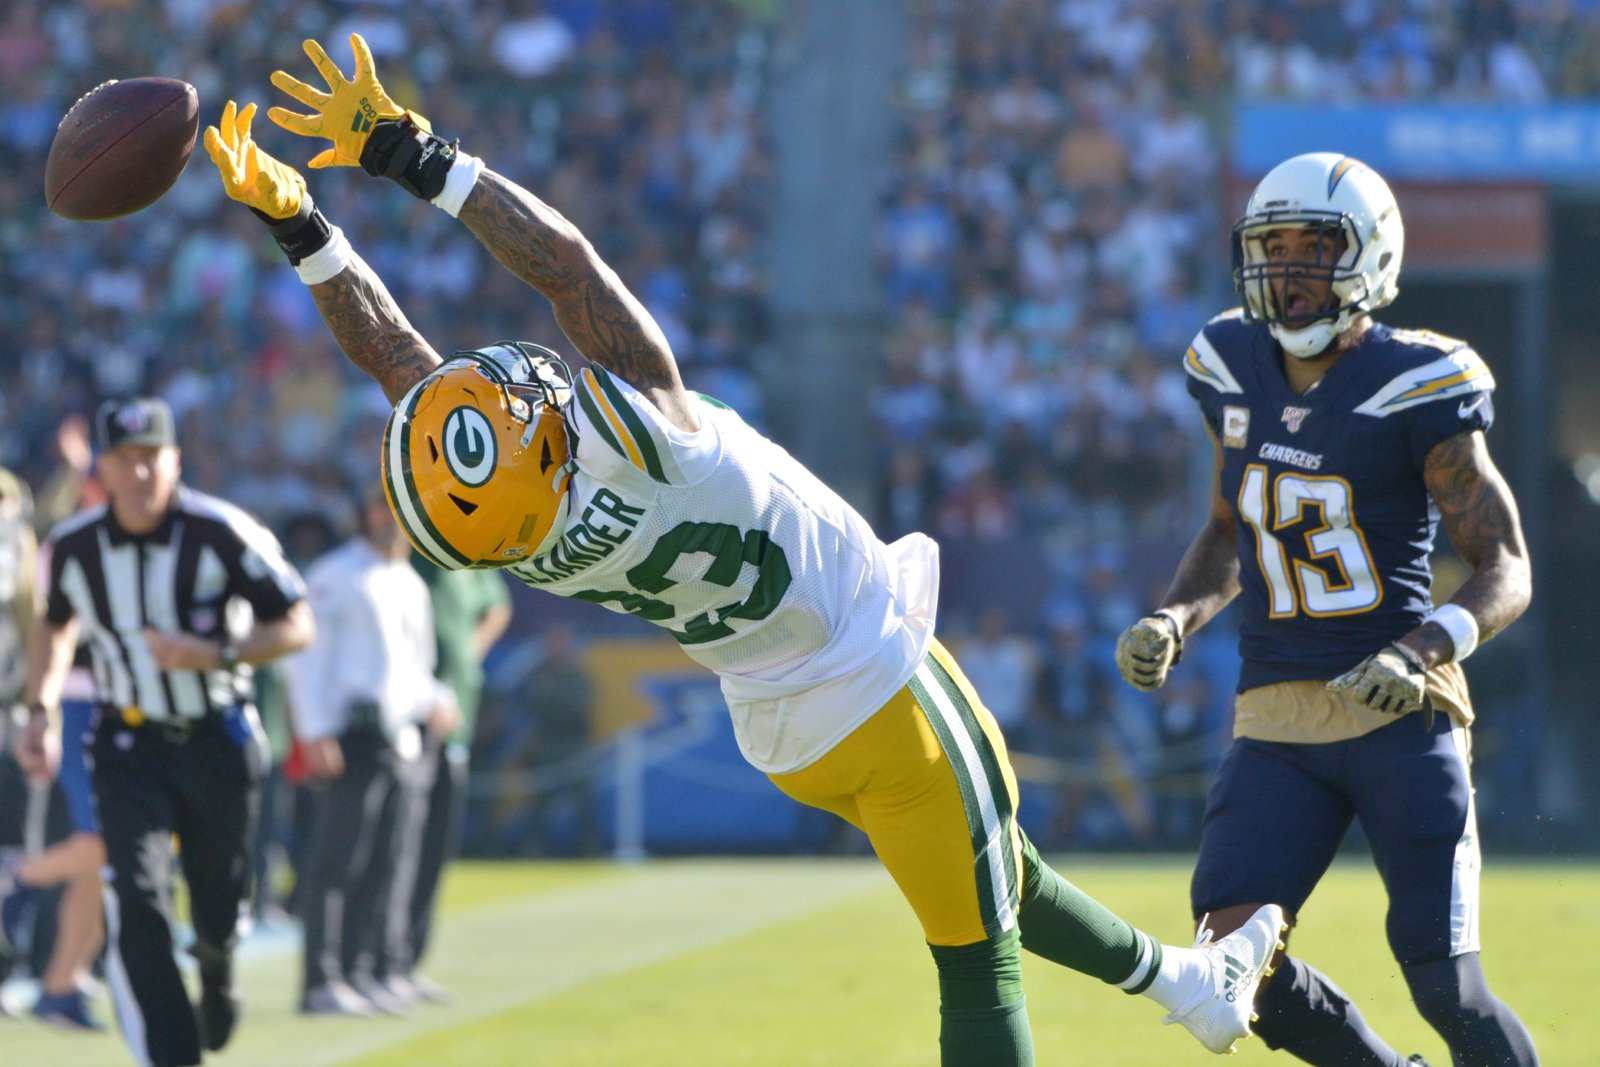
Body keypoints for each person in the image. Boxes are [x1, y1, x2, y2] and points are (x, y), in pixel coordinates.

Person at [201, 35, 1286, 1064]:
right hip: (877, 676)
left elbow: (403, 369)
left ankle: (1192, 988)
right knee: (979, 964)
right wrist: (412, 155)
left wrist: (302, 228)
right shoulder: (648, 438)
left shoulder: (520, 536)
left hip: (786, 725)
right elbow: (570, 271)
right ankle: (1191, 990)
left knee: (995, 874)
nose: (511, 380)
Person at [1114, 153, 1539, 1066]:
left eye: (1315, 246)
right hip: (1276, 712)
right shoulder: (1227, 362)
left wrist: (1424, 649)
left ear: (1371, 256)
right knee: (1227, 973)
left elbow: (1506, 565)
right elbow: (1230, 529)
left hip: (1398, 712)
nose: (1289, 269)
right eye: (1273, 246)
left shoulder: (1419, 380)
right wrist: (1175, 618)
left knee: (1444, 983)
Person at [9, 397, 314, 1067]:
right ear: (104, 467)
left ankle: (217, 961)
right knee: (139, 902)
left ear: (176, 460)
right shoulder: (76, 546)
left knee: (215, 903)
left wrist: (218, 652)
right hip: (129, 741)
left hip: (216, 735)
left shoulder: (221, 531)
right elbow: (54, 624)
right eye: (125, 459)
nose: (140, 472)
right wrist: (40, 708)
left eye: (153, 457)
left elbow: (296, 621)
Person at [286, 483, 456, 1017]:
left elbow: (416, 665)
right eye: (381, 509)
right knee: (339, 860)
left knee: (391, 858)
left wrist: (438, 698)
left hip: (404, 733)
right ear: (363, 515)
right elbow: (307, 660)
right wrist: (314, 731)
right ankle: (322, 978)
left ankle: (369, 968)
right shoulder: (337, 576)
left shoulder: (409, 580)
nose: (390, 520)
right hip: (352, 734)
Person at [406, 550, 511, 998]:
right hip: (409, 720)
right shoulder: (411, 558)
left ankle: (407, 961)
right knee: (399, 851)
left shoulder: (469, 555)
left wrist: (468, 653)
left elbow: (499, 605)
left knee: (433, 851)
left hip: (455, 720)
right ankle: (381, 962)